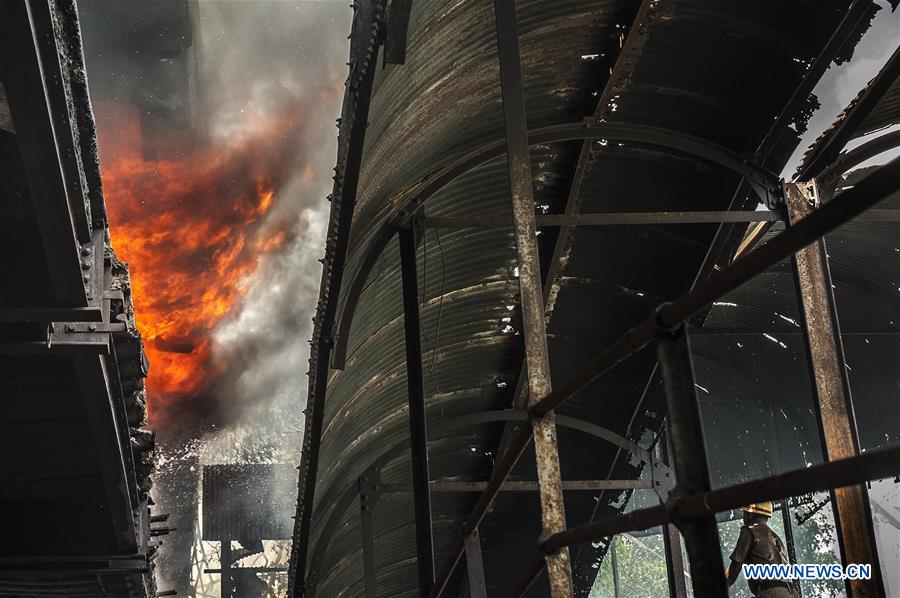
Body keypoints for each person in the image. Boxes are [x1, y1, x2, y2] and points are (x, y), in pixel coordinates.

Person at [725, 501, 798, 597]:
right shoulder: (775, 538)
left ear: (749, 514)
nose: (743, 517)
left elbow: (735, 567)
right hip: (791, 593)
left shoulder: (749, 530)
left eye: (744, 513)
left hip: (771, 593)